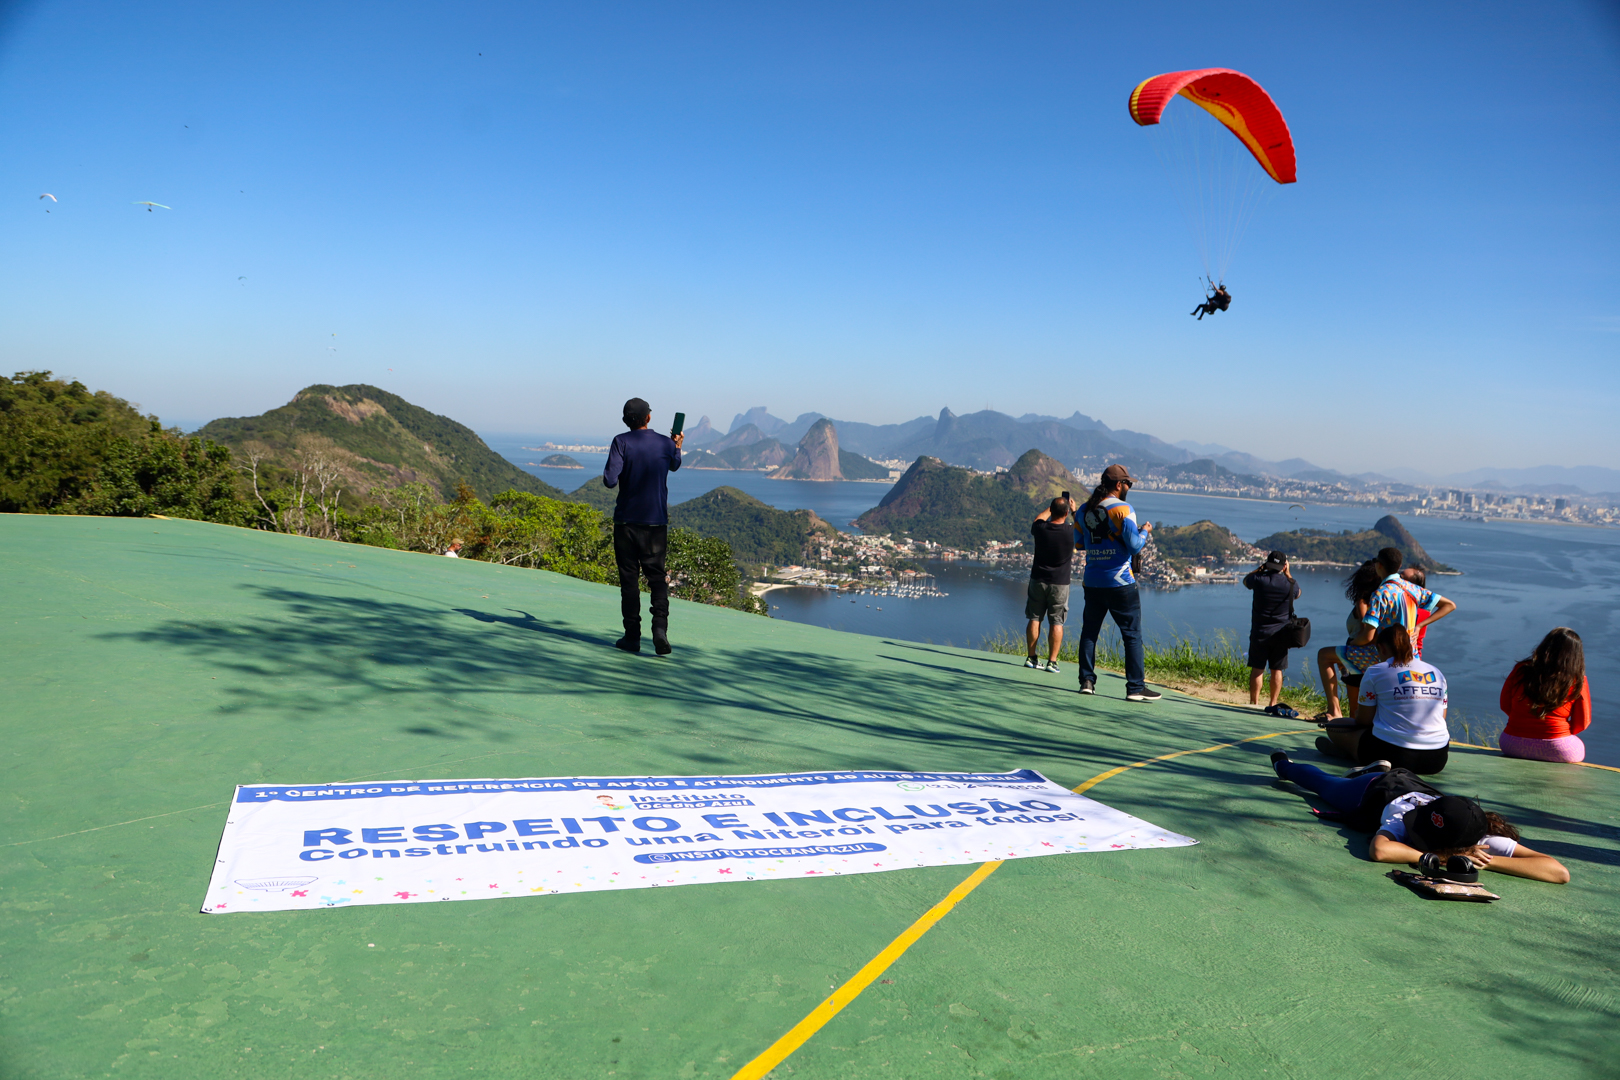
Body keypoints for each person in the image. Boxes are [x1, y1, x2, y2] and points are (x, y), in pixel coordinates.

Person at [1266, 754, 1570, 883]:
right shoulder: (1403, 816)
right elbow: (1380, 850)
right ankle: (1285, 765)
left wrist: (1478, 861)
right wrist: (1440, 857)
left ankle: (1373, 768)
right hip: (1376, 793)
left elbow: (1558, 872)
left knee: (1339, 782)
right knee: (1324, 785)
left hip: (1412, 784)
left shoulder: (1479, 839)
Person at [602, 397, 683, 655]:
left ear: (626, 420)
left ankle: (632, 637)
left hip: (625, 522)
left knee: (629, 581)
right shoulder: (665, 443)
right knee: (657, 579)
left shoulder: (621, 442)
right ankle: (660, 630)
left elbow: (609, 480)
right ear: (648, 417)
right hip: (655, 524)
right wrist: (677, 446)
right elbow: (675, 464)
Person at [1075, 464, 1161, 702]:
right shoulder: (1124, 508)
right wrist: (1144, 531)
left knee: (1089, 632)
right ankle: (1135, 687)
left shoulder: (1083, 509)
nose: (1129, 487)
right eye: (1128, 484)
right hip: (1120, 582)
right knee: (1131, 635)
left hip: (1092, 581)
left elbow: (1080, 544)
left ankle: (1087, 681)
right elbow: (1134, 545)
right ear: (1119, 485)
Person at [1320, 624, 1450, 774]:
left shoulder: (1375, 671)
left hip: (1393, 754)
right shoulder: (1436, 672)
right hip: (1436, 759)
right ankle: (1354, 752)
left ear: (1381, 648)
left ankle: (1352, 753)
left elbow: (1364, 720)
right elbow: (1442, 716)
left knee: (1335, 726)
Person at [1499, 627, 1591, 763]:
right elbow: (1582, 722)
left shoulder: (1521, 669)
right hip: (1557, 748)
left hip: (1512, 744)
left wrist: (1524, 723)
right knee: (1579, 747)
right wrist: (1555, 734)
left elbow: (1505, 704)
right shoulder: (1577, 680)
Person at [1314, 559, 1382, 719]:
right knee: (1358, 709)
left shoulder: (1363, 602)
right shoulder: (1381, 600)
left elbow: (1368, 634)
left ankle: (1334, 710)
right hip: (1373, 654)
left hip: (1361, 653)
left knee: (1323, 656)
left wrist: (1350, 646)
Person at [1025, 495, 1077, 673]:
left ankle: (1031, 658)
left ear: (1051, 511)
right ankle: (1052, 662)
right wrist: (1074, 511)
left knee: (1034, 617)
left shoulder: (1041, 528)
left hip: (1038, 579)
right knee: (1057, 622)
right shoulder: (1071, 531)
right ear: (1067, 512)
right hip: (1060, 583)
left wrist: (1051, 507)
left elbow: (1038, 519)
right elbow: (1083, 529)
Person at [1244, 551, 1300, 713]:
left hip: (1260, 632)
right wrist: (1288, 573)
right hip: (1281, 634)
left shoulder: (1259, 580)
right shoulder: (1290, 584)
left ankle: (1254, 703)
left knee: (1257, 668)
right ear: (1284, 566)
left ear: (1268, 564)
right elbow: (1298, 594)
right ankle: (1273, 703)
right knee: (1277, 669)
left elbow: (1246, 581)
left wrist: (1261, 568)